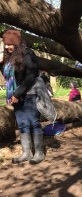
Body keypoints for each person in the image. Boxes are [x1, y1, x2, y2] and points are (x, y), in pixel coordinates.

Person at [0, 29, 45, 164]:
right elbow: (7, 77)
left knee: (33, 122)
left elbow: (31, 76)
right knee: (22, 124)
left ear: (16, 42)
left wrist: (17, 93)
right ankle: (26, 153)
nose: (7, 47)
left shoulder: (28, 54)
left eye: (10, 44)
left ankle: (39, 152)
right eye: (5, 44)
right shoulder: (9, 57)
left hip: (29, 94)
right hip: (16, 96)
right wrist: (1, 64)